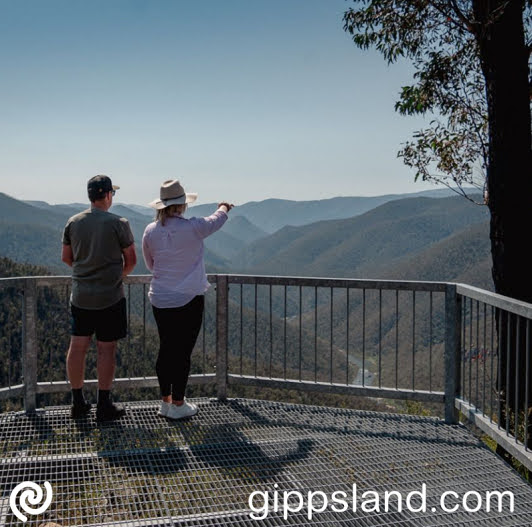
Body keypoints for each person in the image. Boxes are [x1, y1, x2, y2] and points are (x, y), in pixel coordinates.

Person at [142, 179, 233, 420]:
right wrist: (224, 207)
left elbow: (150, 264)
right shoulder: (193, 228)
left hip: (160, 297)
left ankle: (165, 402)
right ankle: (179, 405)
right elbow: (217, 220)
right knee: (182, 353)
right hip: (189, 298)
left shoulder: (150, 230)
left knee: (166, 348)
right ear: (182, 205)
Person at [61, 175, 137, 421]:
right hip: (110, 298)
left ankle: (77, 402)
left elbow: (66, 257)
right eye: (112, 193)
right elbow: (132, 260)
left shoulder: (73, 222)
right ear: (106, 195)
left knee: (77, 347)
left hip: (81, 296)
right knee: (106, 350)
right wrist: (116, 276)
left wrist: (85, 271)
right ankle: (104, 405)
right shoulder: (120, 223)